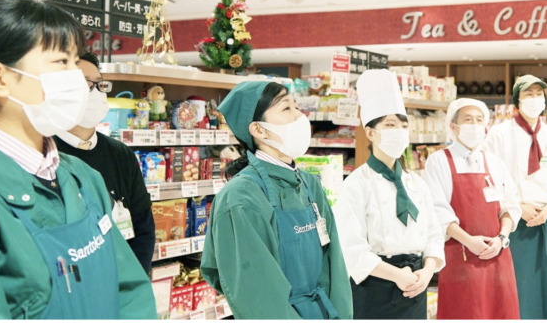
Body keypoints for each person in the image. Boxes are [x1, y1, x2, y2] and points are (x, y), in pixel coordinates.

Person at [0, 0, 155, 319]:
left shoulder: (82, 177)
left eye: (75, 61)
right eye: (61, 62)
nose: (76, 79)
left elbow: (129, 290)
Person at [201, 80, 352, 319]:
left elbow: (335, 268)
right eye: (286, 108)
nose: (300, 116)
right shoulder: (241, 197)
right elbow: (257, 296)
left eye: (296, 106)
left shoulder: (309, 184)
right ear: (258, 130)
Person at [333, 69, 445, 320]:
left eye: (404, 126)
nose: (400, 131)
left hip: (416, 284)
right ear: (370, 133)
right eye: (391, 125)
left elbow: (434, 234)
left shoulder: (416, 183)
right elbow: (350, 247)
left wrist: (427, 272)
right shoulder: (356, 184)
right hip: (374, 286)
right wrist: (397, 276)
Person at [53, 51, 156, 274]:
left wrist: (134, 282)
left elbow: (143, 226)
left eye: (99, 85)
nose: (96, 92)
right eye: (85, 84)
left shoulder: (120, 154)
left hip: (123, 279)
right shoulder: (45, 153)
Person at [482, 74, 547, 319]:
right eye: (528, 94)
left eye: (539, 94)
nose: (535, 99)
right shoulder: (499, 134)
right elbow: (487, 179)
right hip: (510, 223)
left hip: (544, 221)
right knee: (518, 288)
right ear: (517, 101)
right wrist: (518, 206)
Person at [423, 98, 521, 320]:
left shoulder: (494, 162)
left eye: (479, 120)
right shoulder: (438, 161)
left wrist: (502, 238)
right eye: (468, 119)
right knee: (464, 312)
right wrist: (469, 241)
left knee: (501, 312)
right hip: (460, 256)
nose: (475, 125)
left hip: (497, 254)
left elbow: (510, 203)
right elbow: (437, 210)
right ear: (453, 126)